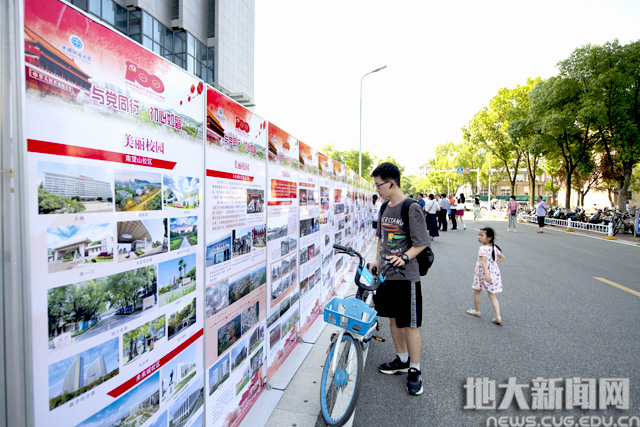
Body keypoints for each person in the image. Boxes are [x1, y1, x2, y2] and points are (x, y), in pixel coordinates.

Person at [370, 162, 429, 396]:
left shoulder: (411, 208)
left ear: (392, 183)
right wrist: (377, 260)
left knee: (410, 324)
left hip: (407, 277)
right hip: (387, 275)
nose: (377, 189)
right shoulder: (384, 207)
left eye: (379, 185)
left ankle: (415, 369)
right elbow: (381, 237)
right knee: (394, 320)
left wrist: (404, 257)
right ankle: (402, 359)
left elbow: (421, 243)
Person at [466, 227, 505, 325]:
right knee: (492, 294)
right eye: (478, 235)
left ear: (489, 238)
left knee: (477, 291)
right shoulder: (494, 247)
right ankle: (498, 316)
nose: (479, 237)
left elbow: (483, 262)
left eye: (481, 235)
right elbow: (502, 257)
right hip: (493, 274)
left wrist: (486, 274)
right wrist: (493, 265)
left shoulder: (483, 248)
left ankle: (477, 311)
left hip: (482, 274)